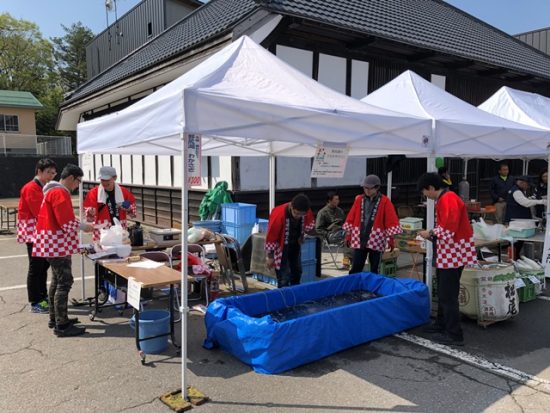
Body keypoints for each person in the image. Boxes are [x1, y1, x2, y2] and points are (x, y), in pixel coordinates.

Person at [33, 164, 93, 337]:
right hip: (56, 243)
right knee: (65, 282)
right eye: (78, 182)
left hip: (49, 242)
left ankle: (56, 318)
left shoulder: (50, 191)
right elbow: (66, 223)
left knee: (56, 281)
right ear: (72, 178)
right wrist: (85, 226)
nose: (77, 186)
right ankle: (62, 324)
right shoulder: (60, 192)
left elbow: (62, 218)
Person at [417, 173, 477, 346]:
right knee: (445, 291)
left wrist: (429, 233)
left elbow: (447, 230)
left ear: (430, 188)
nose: (425, 196)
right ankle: (441, 323)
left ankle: (454, 333)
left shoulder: (448, 199)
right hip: (452, 251)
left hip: (453, 253)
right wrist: (432, 233)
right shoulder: (446, 198)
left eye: (424, 192)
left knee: (447, 294)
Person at [17, 158, 57, 314]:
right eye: (48, 172)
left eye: (53, 173)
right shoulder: (31, 188)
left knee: (43, 266)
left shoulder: (43, 187)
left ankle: (42, 296)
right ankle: (35, 301)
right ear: (39, 171)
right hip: (33, 231)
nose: (51, 176)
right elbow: (39, 211)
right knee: (36, 267)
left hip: (41, 230)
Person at [343, 175, 402, 274]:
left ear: (377, 187)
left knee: (375, 268)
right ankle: (353, 287)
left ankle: (372, 288)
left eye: (370, 188)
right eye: (365, 188)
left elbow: (390, 220)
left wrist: (391, 238)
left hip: (377, 238)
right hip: (359, 237)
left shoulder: (385, 201)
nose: (367, 190)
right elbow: (351, 217)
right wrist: (348, 235)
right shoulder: (359, 199)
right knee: (356, 266)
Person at [265, 194, 315, 288]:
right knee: (284, 276)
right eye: (296, 213)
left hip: (295, 244)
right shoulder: (278, 213)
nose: (298, 216)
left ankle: (295, 295)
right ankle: (283, 298)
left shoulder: (306, 211)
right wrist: (270, 257)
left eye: (302, 214)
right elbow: (271, 236)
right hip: (281, 247)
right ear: (291, 206)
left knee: (297, 271)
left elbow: (310, 228)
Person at [84, 166, 136, 242]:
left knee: (120, 251)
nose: (104, 182)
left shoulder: (124, 192)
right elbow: (88, 214)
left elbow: (133, 212)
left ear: (115, 178)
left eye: (107, 179)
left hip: (120, 228)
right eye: (102, 180)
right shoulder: (93, 192)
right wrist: (90, 211)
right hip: (102, 231)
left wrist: (129, 208)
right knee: (103, 251)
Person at [505, 175, 546, 259]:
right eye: (527, 185)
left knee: (518, 241)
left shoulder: (517, 190)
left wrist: (531, 199)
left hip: (518, 219)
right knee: (516, 241)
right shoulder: (516, 191)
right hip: (516, 220)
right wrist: (541, 201)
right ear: (522, 183)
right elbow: (525, 203)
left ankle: (515, 257)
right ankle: (513, 258)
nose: (528, 187)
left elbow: (524, 200)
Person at [315, 191, 353, 268]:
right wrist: (326, 234)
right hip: (329, 235)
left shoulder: (340, 211)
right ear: (329, 200)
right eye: (335, 199)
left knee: (353, 235)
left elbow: (345, 224)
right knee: (347, 236)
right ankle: (347, 262)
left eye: (338, 199)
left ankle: (352, 260)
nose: (338, 201)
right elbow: (318, 229)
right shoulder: (322, 212)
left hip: (341, 232)